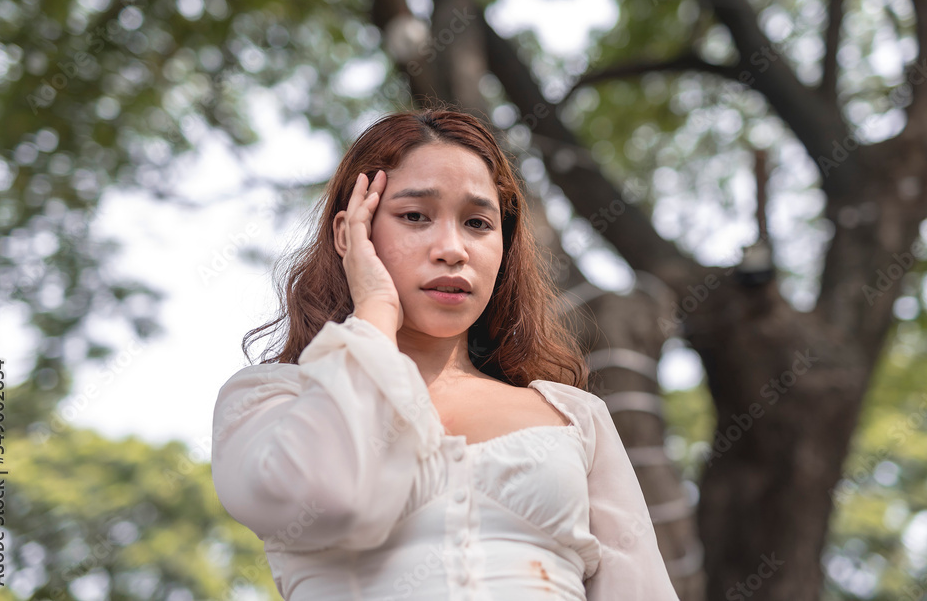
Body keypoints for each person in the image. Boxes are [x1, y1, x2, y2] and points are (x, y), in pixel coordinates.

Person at [211, 108, 680, 600]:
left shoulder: (574, 415)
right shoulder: (266, 404)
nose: (452, 249)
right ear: (350, 233)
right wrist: (374, 309)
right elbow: (332, 497)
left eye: (478, 223)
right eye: (415, 216)